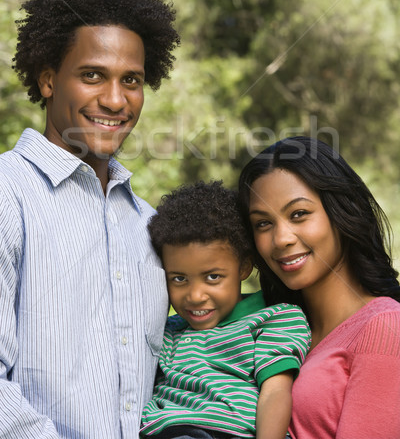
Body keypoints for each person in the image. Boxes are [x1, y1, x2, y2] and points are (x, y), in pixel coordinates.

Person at [0, 0, 180, 439]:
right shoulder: (8, 193)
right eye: (92, 75)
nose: (116, 99)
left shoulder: (151, 225)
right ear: (47, 80)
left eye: (132, 80)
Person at [238, 136, 400, 439]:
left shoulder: (384, 326)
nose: (281, 238)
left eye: (298, 214)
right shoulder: (268, 326)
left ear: (341, 213)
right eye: (263, 223)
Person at [140, 180, 311, 439]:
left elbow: (275, 392)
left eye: (212, 277)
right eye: (179, 279)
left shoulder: (274, 319)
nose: (195, 296)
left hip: (230, 432)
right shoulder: (169, 331)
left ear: (243, 268)